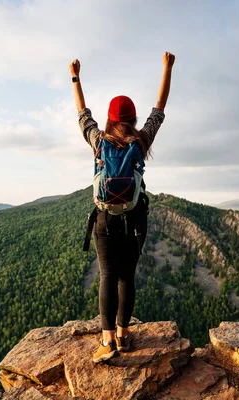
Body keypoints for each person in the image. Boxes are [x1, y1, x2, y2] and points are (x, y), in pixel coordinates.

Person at [70, 52, 175, 363]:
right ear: (132, 118)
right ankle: (123, 335)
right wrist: (167, 69)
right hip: (133, 219)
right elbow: (160, 108)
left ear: (110, 119)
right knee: (126, 277)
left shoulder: (98, 140)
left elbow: (81, 113)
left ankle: (106, 342)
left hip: (104, 219)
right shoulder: (141, 141)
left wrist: (75, 76)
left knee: (107, 275)